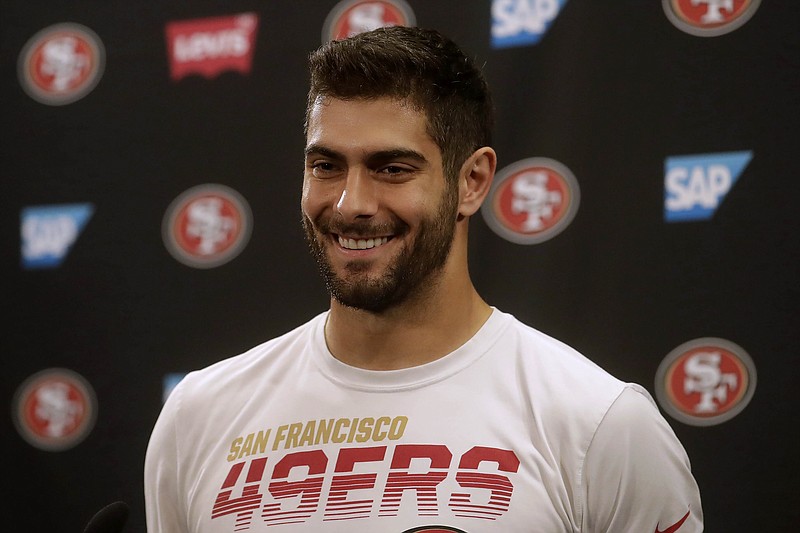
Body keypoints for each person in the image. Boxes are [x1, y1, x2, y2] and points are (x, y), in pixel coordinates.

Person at [145, 26, 703, 532]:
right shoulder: (200, 415)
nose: (351, 203)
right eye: (326, 166)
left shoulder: (600, 426)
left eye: (392, 168)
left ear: (473, 181)